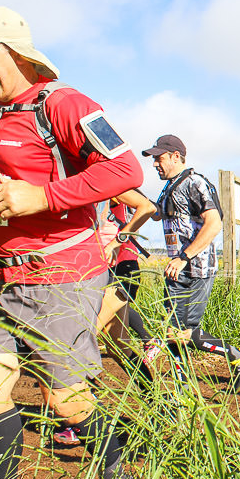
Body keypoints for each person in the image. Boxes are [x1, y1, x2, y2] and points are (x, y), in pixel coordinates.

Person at [0, 6, 143, 479]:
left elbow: (125, 168)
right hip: (1, 274)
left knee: (67, 402)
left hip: (59, 276)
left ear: (13, 51)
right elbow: (4, 196)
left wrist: (45, 197)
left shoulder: (64, 104)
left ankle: (118, 474)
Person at [143, 135, 240, 390]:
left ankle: (236, 355)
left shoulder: (195, 183)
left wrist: (184, 257)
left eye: (159, 158)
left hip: (194, 268)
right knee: (176, 331)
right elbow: (157, 214)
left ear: (176, 156)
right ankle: (183, 388)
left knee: (181, 333)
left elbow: (214, 223)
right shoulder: (170, 186)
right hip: (176, 269)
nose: (155, 164)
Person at [54, 189, 157, 445]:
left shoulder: (109, 186)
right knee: (118, 344)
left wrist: (119, 239)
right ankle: (160, 402)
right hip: (105, 270)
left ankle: (81, 420)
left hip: (121, 270)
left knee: (81, 339)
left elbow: (147, 206)